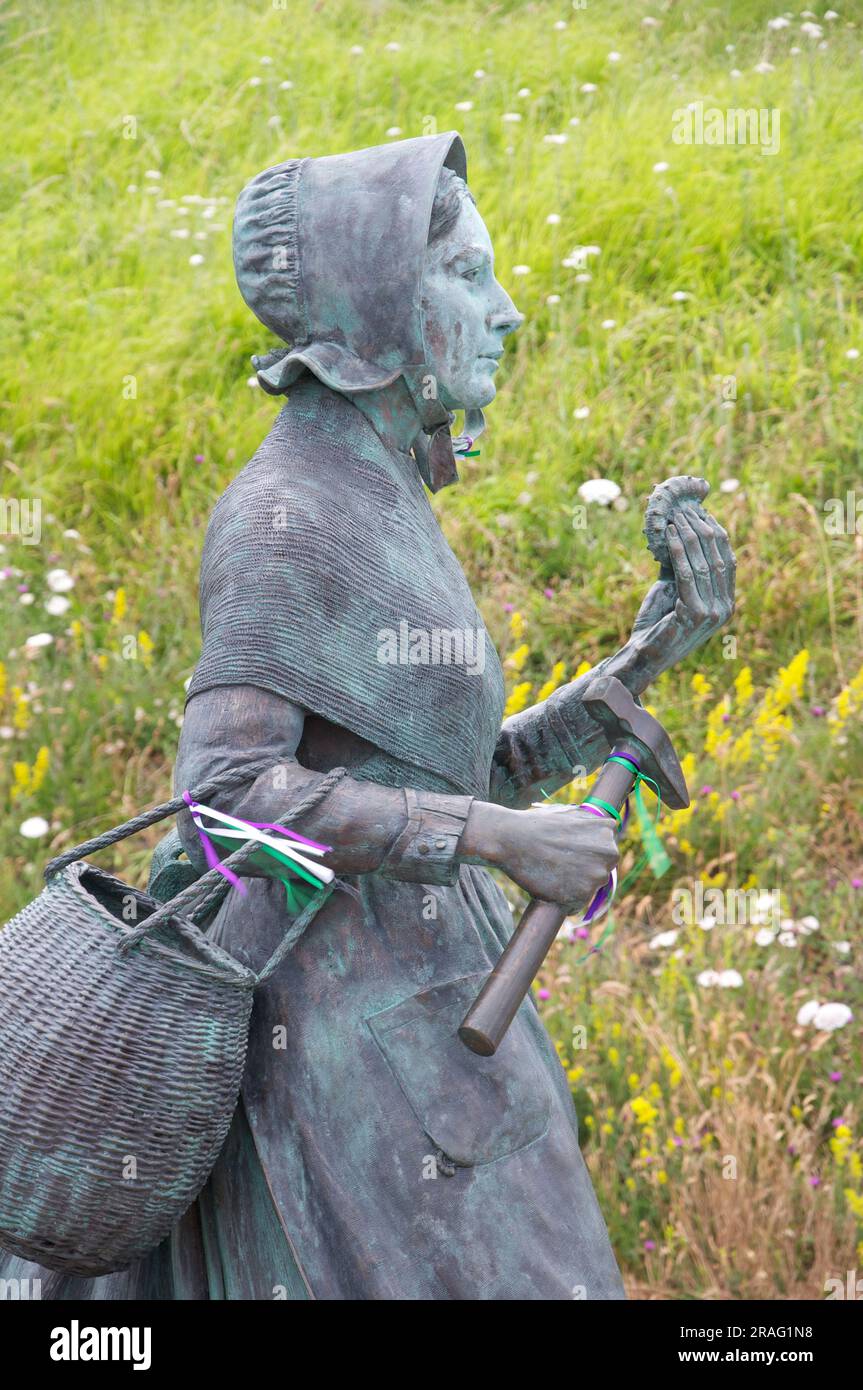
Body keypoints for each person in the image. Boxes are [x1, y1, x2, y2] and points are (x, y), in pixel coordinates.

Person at [1, 132, 733, 1300]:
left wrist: (648, 659)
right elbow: (228, 806)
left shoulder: (379, 487)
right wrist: (500, 842)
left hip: (427, 1013)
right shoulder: (287, 515)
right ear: (378, 308)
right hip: (327, 1055)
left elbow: (445, 773)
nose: (505, 312)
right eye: (465, 276)